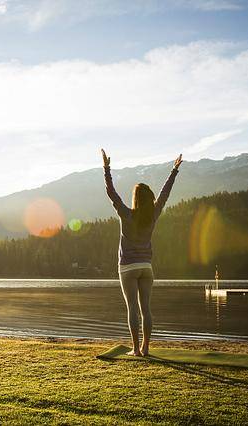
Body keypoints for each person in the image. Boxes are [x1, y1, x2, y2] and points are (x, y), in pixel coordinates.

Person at [101, 148, 182, 356]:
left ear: (135, 198)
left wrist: (106, 168)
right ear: (149, 199)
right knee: (146, 309)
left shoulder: (126, 214)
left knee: (132, 309)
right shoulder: (153, 215)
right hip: (146, 267)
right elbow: (165, 195)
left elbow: (111, 193)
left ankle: (136, 350)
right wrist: (174, 171)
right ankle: (146, 348)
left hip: (127, 267)